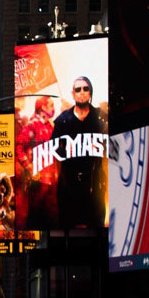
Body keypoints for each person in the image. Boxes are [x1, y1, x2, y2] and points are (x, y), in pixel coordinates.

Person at [51, 76, 108, 229]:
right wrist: (64, 151)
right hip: (69, 185)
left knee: (97, 229)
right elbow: (53, 148)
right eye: (78, 89)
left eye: (85, 89)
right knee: (68, 228)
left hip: (94, 183)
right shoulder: (62, 120)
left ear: (90, 92)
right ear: (73, 93)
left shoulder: (101, 118)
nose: (82, 92)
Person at [15, 94, 57, 227]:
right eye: (51, 105)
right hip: (37, 181)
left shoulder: (50, 126)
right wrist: (31, 168)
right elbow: (19, 148)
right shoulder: (32, 126)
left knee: (49, 218)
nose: (53, 108)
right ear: (42, 107)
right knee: (36, 218)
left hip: (50, 180)